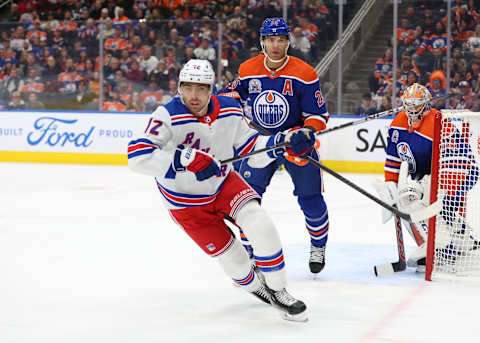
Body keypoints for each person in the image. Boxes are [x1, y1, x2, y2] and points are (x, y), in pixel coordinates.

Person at [127, 59, 311, 321]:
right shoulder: (166, 116)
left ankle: (279, 290)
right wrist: (183, 159)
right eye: (187, 87)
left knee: (261, 224)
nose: (194, 95)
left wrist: (283, 142)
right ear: (179, 87)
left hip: (224, 183)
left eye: (201, 88)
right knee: (235, 260)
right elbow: (137, 156)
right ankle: (258, 288)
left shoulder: (230, 109)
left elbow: (251, 147)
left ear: (211, 89)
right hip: (185, 203)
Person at [218, 18, 330, 274]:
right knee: (245, 200)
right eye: (270, 39)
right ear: (262, 42)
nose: (275, 45)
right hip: (260, 143)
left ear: (288, 42)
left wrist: (308, 131)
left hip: (295, 143)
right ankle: (249, 252)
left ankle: (318, 246)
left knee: (311, 199)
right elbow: (233, 93)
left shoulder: (305, 73)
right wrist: (215, 99)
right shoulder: (248, 69)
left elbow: (318, 114)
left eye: (280, 39)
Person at [375, 83, 479, 272]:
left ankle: (439, 246)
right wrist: (390, 188)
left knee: (417, 197)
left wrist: (430, 190)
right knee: (403, 198)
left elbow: (456, 162)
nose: (412, 109)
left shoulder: (437, 122)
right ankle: (463, 242)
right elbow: (393, 161)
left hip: (460, 170)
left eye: (416, 104)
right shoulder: (398, 124)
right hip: (431, 174)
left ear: (426, 104)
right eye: (409, 104)